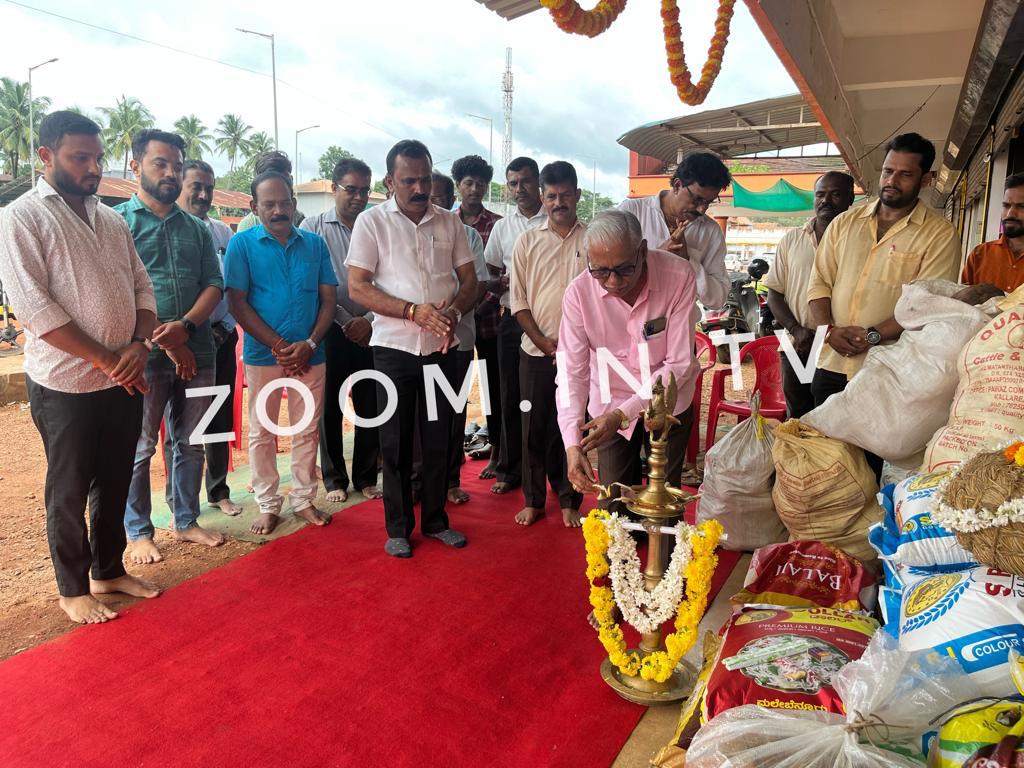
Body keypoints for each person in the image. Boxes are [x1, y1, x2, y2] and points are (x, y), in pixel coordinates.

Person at [0, 111, 160, 623]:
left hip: (123, 378)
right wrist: (109, 360)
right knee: (68, 489)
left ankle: (107, 570)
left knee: (114, 480)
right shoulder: (22, 217)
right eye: (79, 158)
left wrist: (139, 345)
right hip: (64, 384)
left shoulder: (110, 218)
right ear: (45, 156)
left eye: (97, 158)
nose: (93, 168)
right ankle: (72, 589)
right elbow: (35, 309)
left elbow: (142, 286)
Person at [347, 139, 479, 558]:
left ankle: (437, 521)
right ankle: (399, 527)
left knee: (439, 437)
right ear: (390, 182)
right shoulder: (371, 223)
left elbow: (470, 282)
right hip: (393, 349)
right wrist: (411, 312)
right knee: (395, 440)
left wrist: (453, 313)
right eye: (409, 181)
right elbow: (357, 287)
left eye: (425, 179)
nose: (420, 188)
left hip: (442, 346)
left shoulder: (449, 223)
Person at [807, 132, 960, 477]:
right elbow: (818, 283)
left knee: (870, 470)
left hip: (888, 375)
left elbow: (926, 304)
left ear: (926, 180)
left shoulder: (939, 234)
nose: (892, 181)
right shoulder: (845, 223)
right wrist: (828, 330)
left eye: (905, 174)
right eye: (889, 171)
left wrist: (873, 336)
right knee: (824, 466)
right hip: (831, 364)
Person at [116, 130, 225, 564]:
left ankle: (186, 520)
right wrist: (163, 338)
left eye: (177, 166)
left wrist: (186, 326)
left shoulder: (196, 229)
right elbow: (118, 291)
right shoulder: (117, 223)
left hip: (199, 351)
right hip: (141, 355)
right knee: (140, 446)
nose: (171, 173)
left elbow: (213, 284)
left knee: (193, 441)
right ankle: (139, 531)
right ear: (135, 166)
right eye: (160, 163)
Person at [559, 210, 698, 510]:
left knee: (664, 503)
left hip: (667, 403)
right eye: (600, 271)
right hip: (609, 402)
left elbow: (678, 364)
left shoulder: (678, 276)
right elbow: (571, 372)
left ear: (643, 251)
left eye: (624, 269)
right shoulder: (578, 294)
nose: (613, 281)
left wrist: (623, 414)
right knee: (614, 503)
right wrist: (572, 444)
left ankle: (662, 541)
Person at [225, 171, 338, 535]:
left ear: (294, 204)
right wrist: (280, 345)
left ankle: (303, 499)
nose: (278, 211)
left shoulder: (315, 245)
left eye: (284, 203)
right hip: (263, 356)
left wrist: (310, 344)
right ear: (254, 206)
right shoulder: (241, 245)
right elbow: (237, 303)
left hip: (311, 355)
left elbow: (328, 300)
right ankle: (268, 504)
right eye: (269, 204)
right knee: (263, 431)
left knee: (307, 429)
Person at [300, 158, 382, 504]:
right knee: (330, 405)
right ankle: (334, 478)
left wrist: (369, 319)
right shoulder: (312, 227)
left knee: (371, 403)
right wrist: (347, 319)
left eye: (365, 190)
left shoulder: (378, 225)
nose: (359, 197)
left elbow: (390, 279)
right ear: (334, 188)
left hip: (375, 327)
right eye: (351, 189)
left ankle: (366, 476)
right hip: (330, 328)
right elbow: (313, 282)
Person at [510, 161, 587, 528]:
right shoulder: (526, 241)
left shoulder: (594, 240)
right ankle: (534, 500)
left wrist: (572, 346)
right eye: (552, 196)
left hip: (580, 355)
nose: (559, 202)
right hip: (535, 351)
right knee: (532, 428)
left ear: (577, 195)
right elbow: (518, 302)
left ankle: (570, 498)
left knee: (572, 428)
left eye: (565, 195)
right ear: (542, 198)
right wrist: (544, 343)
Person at [167, 159, 243, 517]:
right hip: (178, 343)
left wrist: (223, 328)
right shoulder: (168, 230)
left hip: (220, 338)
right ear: (179, 186)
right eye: (195, 186)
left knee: (218, 417)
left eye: (208, 188)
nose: (202, 194)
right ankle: (179, 501)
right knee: (179, 423)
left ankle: (218, 490)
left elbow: (232, 288)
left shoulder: (223, 234)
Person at [763, 171, 855, 418]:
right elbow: (774, 294)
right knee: (798, 417)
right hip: (798, 344)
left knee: (834, 419)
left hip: (842, 348)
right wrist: (796, 330)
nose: (825, 201)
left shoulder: (859, 242)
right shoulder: (792, 239)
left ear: (850, 199)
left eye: (835, 194)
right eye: (820, 194)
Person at [483, 157, 547, 497]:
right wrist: (504, 282)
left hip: (549, 320)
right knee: (510, 395)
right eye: (513, 183)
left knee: (549, 396)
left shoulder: (555, 218)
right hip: (511, 319)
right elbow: (490, 271)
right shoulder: (503, 228)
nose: (519, 189)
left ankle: (554, 470)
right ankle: (510, 469)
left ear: (538, 183)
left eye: (525, 181)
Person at [429, 172, 491, 504]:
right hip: (419, 340)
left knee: (453, 412)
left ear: (450, 199)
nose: (432, 202)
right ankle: (421, 480)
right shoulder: (409, 234)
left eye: (439, 197)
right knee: (423, 413)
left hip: (459, 338)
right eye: (428, 197)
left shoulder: (467, 235)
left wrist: (451, 313)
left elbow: (477, 283)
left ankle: (451, 480)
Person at [618, 152, 730, 323]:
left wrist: (688, 261)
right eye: (697, 200)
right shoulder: (632, 212)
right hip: (627, 324)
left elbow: (717, 299)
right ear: (677, 185)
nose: (702, 210)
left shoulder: (711, 232)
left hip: (681, 328)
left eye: (709, 202)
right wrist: (657, 256)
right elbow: (610, 273)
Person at [452, 154, 504, 479]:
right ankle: (453, 447)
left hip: (489, 321)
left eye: (480, 183)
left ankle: (497, 451)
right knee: (453, 388)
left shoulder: (497, 224)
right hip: (453, 324)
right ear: (458, 185)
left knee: (491, 388)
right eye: (468, 183)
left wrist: (481, 305)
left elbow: (500, 277)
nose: (474, 189)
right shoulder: (446, 222)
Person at [961, 172, 1024, 295]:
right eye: (1006, 205)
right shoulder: (980, 254)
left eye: (1021, 206)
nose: (1010, 213)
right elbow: (961, 302)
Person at [236, 150, 305, 231]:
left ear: (291, 180)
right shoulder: (248, 226)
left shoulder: (303, 222)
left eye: (283, 179)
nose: (278, 211)